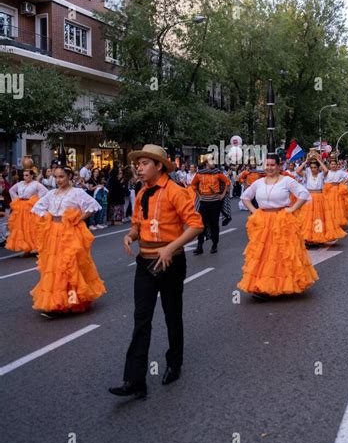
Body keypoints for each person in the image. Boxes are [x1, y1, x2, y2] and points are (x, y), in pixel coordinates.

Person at [109, 144, 203, 399]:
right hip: (145, 262)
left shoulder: (176, 192)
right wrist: (130, 236)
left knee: (172, 315)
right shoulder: (141, 194)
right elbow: (137, 225)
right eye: (137, 164)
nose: (139, 168)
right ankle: (135, 379)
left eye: (144, 164)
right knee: (142, 318)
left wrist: (170, 249)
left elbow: (195, 225)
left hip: (171, 263)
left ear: (159, 166)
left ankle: (174, 363)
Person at [238, 154, 317, 299]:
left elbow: (304, 194)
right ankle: (262, 286)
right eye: (267, 165)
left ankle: (283, 286)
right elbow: (245, 197)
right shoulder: (259, 182)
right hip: (263, 222)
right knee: (263, 254)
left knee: (282, 253)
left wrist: (292, 209)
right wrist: (255, 211)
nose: (269, 168)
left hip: (282, 221)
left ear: (279, 166)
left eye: (272, 165)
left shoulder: (286, 181)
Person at [31, 166, 106, 316]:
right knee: (55, 267)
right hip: (53, 234)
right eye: (56, 177)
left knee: (70, 266)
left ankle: (71, 301)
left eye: (61, 177)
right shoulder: (52, 193)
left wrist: (77, 218)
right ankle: (57, 302)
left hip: (70, 233)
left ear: (69, 176)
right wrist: (48, 216)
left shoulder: (77, 193)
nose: (58, 180)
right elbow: (37, 207)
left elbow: (93, 207)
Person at [296, 153, 347, 246]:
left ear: (318, 168)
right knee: (307, 219)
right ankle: (308, 238)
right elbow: (298, 170)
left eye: (315, 167)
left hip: (319, 198)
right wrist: (306, 161)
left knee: (317, 219)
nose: (313, 169)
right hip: (309, 198)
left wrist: (319, 160)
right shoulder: (307, 174)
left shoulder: (321, 175)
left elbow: (326, 170)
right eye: (311, 167)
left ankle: (318, 237)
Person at [191, 157, 230, 254]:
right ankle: (199, 246)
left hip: (215, 202)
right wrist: (199, 196)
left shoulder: (217, 173)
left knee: (214, 224)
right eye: (211, 161)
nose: (214, 163)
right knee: (201, 225)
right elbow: (193, 185)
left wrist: (222, 194)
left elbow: (227, 182)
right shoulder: (199, 174)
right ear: (206, 163)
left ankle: (214, 245)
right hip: (203, 202)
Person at [6, 166, 47, 255]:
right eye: (24, 175)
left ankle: (35, 246)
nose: (25, 177)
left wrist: (37, 200)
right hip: (21, 207)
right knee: (21, 227)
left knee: (31, 226)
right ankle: (26, 248)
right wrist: (16, 199)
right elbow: (11, 190)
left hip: (30, 207)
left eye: (27, 175)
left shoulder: (36, 184)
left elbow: (45, 192)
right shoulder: (20, 183)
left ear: (31, 176)